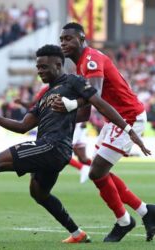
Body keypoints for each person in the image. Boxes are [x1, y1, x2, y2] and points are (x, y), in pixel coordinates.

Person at [0, 44, 150, 243]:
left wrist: (129, 130)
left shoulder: (73, 82)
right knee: (39, 193)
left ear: (58, 65)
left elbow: (100, 104)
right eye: (38, 67)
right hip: (50, 149)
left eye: (44, 67)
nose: (39, 71)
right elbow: (22, 126)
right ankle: (77, 233)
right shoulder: (44, 95)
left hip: (54, 146)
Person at [57, 22, 155, 242]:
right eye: (61, 39)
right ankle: (145, 212)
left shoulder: (90, 60)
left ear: (82, 39)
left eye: (69, 39)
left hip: (128, 116)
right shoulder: (82, 64)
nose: (64, 43)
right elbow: (86, 111)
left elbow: (95, 95)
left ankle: (124, 221)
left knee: (96, 172)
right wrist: (57, 117)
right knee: (100, 172)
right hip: (115, 119)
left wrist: (68, 106)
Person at [15, 84, 91, 183]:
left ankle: (85, 169)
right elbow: (33, 104)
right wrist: (22, 103)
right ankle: (91, 170)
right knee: (78, 155)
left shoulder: (67, 83)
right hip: (67, 123)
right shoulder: (56, 85)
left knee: (60, 150)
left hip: (65, 123)